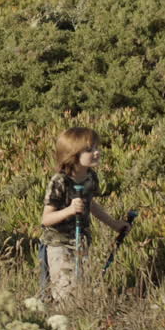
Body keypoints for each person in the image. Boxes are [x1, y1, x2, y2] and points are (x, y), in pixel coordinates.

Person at [39, 127, 132, 302]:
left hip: (82, 241)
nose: (97, 152)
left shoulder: (91, 177)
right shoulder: (59, 181)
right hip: (59, 244)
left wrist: (114, 224)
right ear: (73, 154)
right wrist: (69, 210)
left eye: (97, 147)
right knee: (66, 292)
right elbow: (46, 219)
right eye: (89, 149)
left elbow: (90, 205)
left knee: (81, 288)